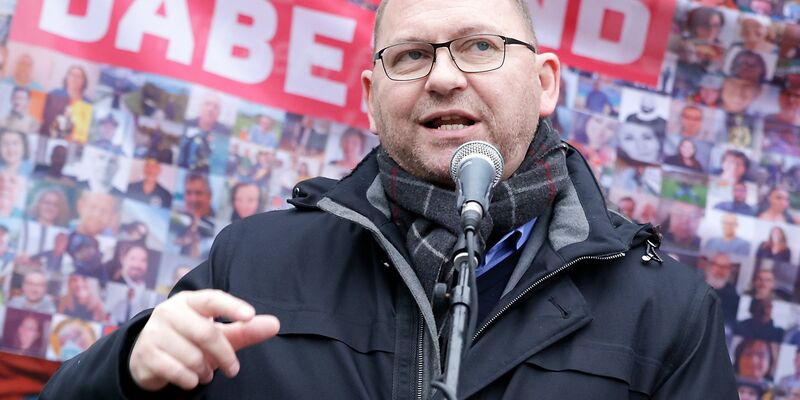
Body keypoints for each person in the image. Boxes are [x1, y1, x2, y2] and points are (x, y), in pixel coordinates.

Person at [42, 1, 737, 398]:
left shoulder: (666, 314)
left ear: (546, 82)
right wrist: (129, 370)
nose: (442, 79)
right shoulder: (251, 266)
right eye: (409, 57)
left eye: (478, 47)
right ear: (372, 101)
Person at [171, 173, 215, 258]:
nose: (193, 199)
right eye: (188, 193)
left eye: (198, 193)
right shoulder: (179, 219)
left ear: (209, 196)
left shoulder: (214, 227)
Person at [704, 252, 740, 326]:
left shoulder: (735, 297)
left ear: (729, 271)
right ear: (709, 266)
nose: (721, 270)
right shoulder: (695, 287)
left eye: (725, 267)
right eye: (717, 265)